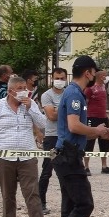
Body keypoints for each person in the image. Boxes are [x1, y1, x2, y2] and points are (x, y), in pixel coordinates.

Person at [45, 55, 109, 217]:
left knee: (70, 207)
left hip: (67, 155)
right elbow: (74, 126)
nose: (96, 76)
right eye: (95, 72)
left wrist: (96, 132)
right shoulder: (75, 94)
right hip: (69, 157)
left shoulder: (74, 93)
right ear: (88, 73)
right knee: (85, 204)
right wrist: (98, 130)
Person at [0, 74, 48, 217]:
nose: (24, 92)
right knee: (8, 194)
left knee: (32, 193)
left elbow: (44, 124)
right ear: (11, 91)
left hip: (27, 155)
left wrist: (31, 109)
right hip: (5, 157)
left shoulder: (31, 104)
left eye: (25, 89)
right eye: (20, 89)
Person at [37, 66, 68, 208]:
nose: (59, 81)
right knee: (47, 170)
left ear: (66, 79)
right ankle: (41, 202)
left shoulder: (69, 93)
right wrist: (65, 110)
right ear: (52, 78)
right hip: (52, 137)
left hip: (67, 136)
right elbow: (51, 116)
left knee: (67, 172)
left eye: (62, 78)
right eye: (57, 78)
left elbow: (76, 113)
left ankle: (68, 203)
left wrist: (58, 109)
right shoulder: (46, 95)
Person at [87, 67, 109, 175]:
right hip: (92, 117)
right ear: (99, 76)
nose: (106, 77)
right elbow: (85, 102)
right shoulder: (90, 88)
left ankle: (104, 166)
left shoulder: (103, 86)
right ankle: (86, 167)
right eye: (104, 75)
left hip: (103, 117)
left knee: (105, 141)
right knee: (89, 142)